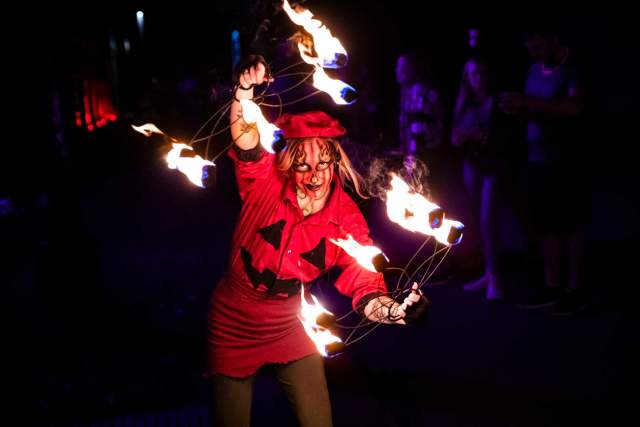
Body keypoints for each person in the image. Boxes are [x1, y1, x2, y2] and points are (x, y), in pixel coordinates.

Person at [206, 56, 430, 427]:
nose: (315, 175)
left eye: (323, 164)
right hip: (233, 321)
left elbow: (365, 286)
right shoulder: (263, 181)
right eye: (303, 165)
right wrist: (244, 92)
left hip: (292, 325)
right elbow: (246, 139)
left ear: (335, 163)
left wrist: (394, 312)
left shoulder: (345, 217)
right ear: (287, 163)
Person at [499, 27, 590, 314]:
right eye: (530, 49)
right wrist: (517, 110)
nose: (533, 54)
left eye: (538, 47)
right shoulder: (534, 70)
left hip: (568, 160)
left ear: (552, 38)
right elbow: (536, 110)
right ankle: (552, 286)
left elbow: (575, 108)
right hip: (538, 159)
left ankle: (576, 288)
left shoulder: (574, 68)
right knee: (547, 226)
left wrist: (529, 103)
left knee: (571, 225)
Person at [452, 57, 506, 300]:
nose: (478, 79)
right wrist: (464, 136)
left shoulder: (497, 102)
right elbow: (454, 138)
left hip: (493, 164)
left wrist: (484, 136)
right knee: (478, 221)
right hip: (471, 164)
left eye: (481, 73)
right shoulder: (464, 104)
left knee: (488, 220)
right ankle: (488, 271)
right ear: (467, 78)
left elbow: (506, 137)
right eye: (473, 74)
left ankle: (496, 278)